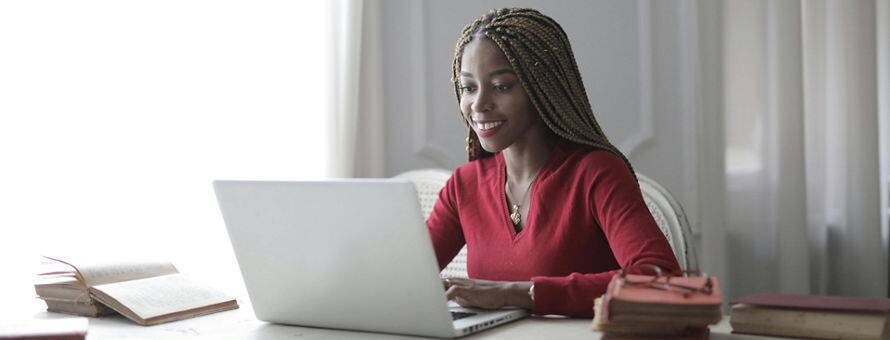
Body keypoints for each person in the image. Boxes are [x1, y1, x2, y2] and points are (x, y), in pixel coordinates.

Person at [426, 8, 680, 318]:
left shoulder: (596, 173)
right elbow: (403, 277)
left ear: (542, 87)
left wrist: (516, 294)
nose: (478, 104)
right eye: (469, 88)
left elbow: (662, 281)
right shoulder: (464, 185)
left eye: (502, 86)